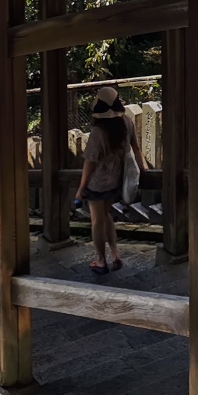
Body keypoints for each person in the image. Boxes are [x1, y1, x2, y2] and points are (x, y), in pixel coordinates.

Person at [77, 86, 142, 276]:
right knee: (106, 216)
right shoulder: (127, 123)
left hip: (97, 183)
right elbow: (136, 147)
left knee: (97, 221)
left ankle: (101, 260)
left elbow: (90, 162)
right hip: (116, 180)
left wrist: (81, 188)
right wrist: (143, 169)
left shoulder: (98, 132)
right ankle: (115, 254)